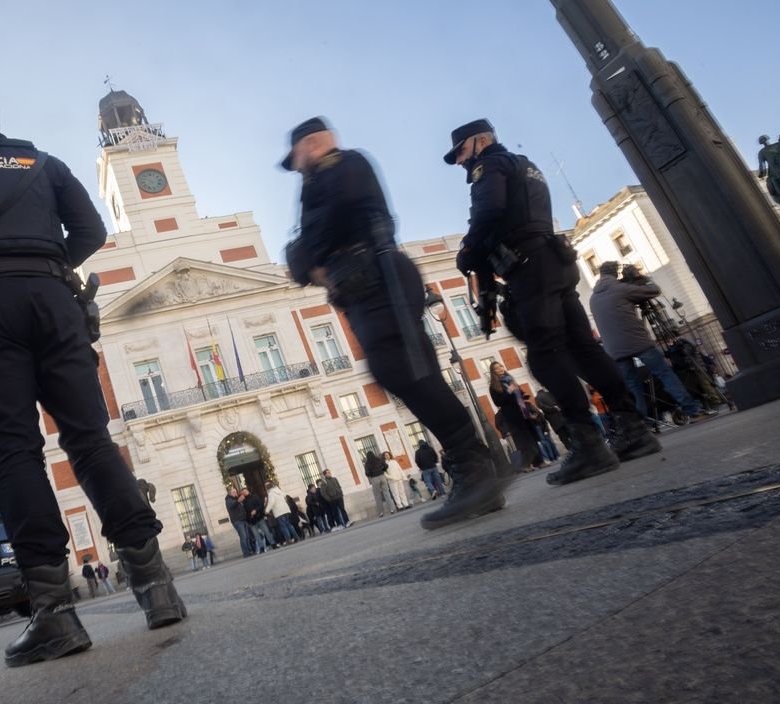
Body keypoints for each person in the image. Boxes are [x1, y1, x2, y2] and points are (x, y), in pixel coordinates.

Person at [0, 93, 185, 668]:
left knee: (14, 450)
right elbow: (92, 231)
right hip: (56, 302)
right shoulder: (42, 163)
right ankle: (157, 588)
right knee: (91, 441)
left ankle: (55, 614)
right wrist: (45, 263)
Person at [282, 116, 508, 529]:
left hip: (377, 276)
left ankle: (474, 467)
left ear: (314, 143)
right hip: (363, 285)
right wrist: (306, 259)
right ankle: (475, 468)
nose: (295, 165)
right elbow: (310, 250)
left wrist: (305, 257)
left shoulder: (342, 166)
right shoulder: (317, 184)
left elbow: (324, 230)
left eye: (297, 155)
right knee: (405, 374)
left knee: (408, 371)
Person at [444, 118, 660, 485]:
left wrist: (467, 250)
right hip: (554, 261)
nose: (462, 162)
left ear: (481, 141)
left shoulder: (490, 165)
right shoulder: (526, 165)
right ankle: (633, 428)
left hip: (530, 268)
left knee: (544, 356)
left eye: (462, 150)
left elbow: (489, 211)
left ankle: (588, 444)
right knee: (583, 348)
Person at [589, 261, 715, 425]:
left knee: (633, 386)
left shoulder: (593, 298)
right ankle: (692, 410)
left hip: (615, 350)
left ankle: (643, 423)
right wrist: (642, 278)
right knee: (664, 373)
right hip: (638, 342)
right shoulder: (621, 289)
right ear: (615, 273)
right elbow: (654, 290)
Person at [487, 363, 543, 471]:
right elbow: (498, 402)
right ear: (493, 372)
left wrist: (522, 394)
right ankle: (526, 465)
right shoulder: (493, 387)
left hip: (523, 412)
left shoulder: (510, 380)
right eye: (496, 368)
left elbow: (519, 395)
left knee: (532, 437)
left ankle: (539, 462)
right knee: (524, 441)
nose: (500, 369)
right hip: (512, 416)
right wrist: (509, 391)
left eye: (501, 366)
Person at [241, 487, 275, 552]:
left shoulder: (254, 496)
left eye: (245, 491)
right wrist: (249, 516)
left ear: (248, 491)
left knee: (266, 531)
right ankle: (262, 547)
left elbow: (261, 505)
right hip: (251, 521)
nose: (244, 493)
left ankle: (273, 544)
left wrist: (256, 510)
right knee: (256, 535)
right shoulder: (243, 502)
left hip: (259, 518)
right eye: (243, 493)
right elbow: (244, 512)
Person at [225, 485, 255, 557]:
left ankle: (249, 550)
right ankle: (245, 553)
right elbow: (231, 505)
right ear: (230, 493)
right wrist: (238, 501)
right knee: (243, 536)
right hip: (237, 521)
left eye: (235, 491)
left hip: (243, 520)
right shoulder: (229, 499)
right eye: (234, 492)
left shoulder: (236, 498)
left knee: (247, 536)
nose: (235, 493)